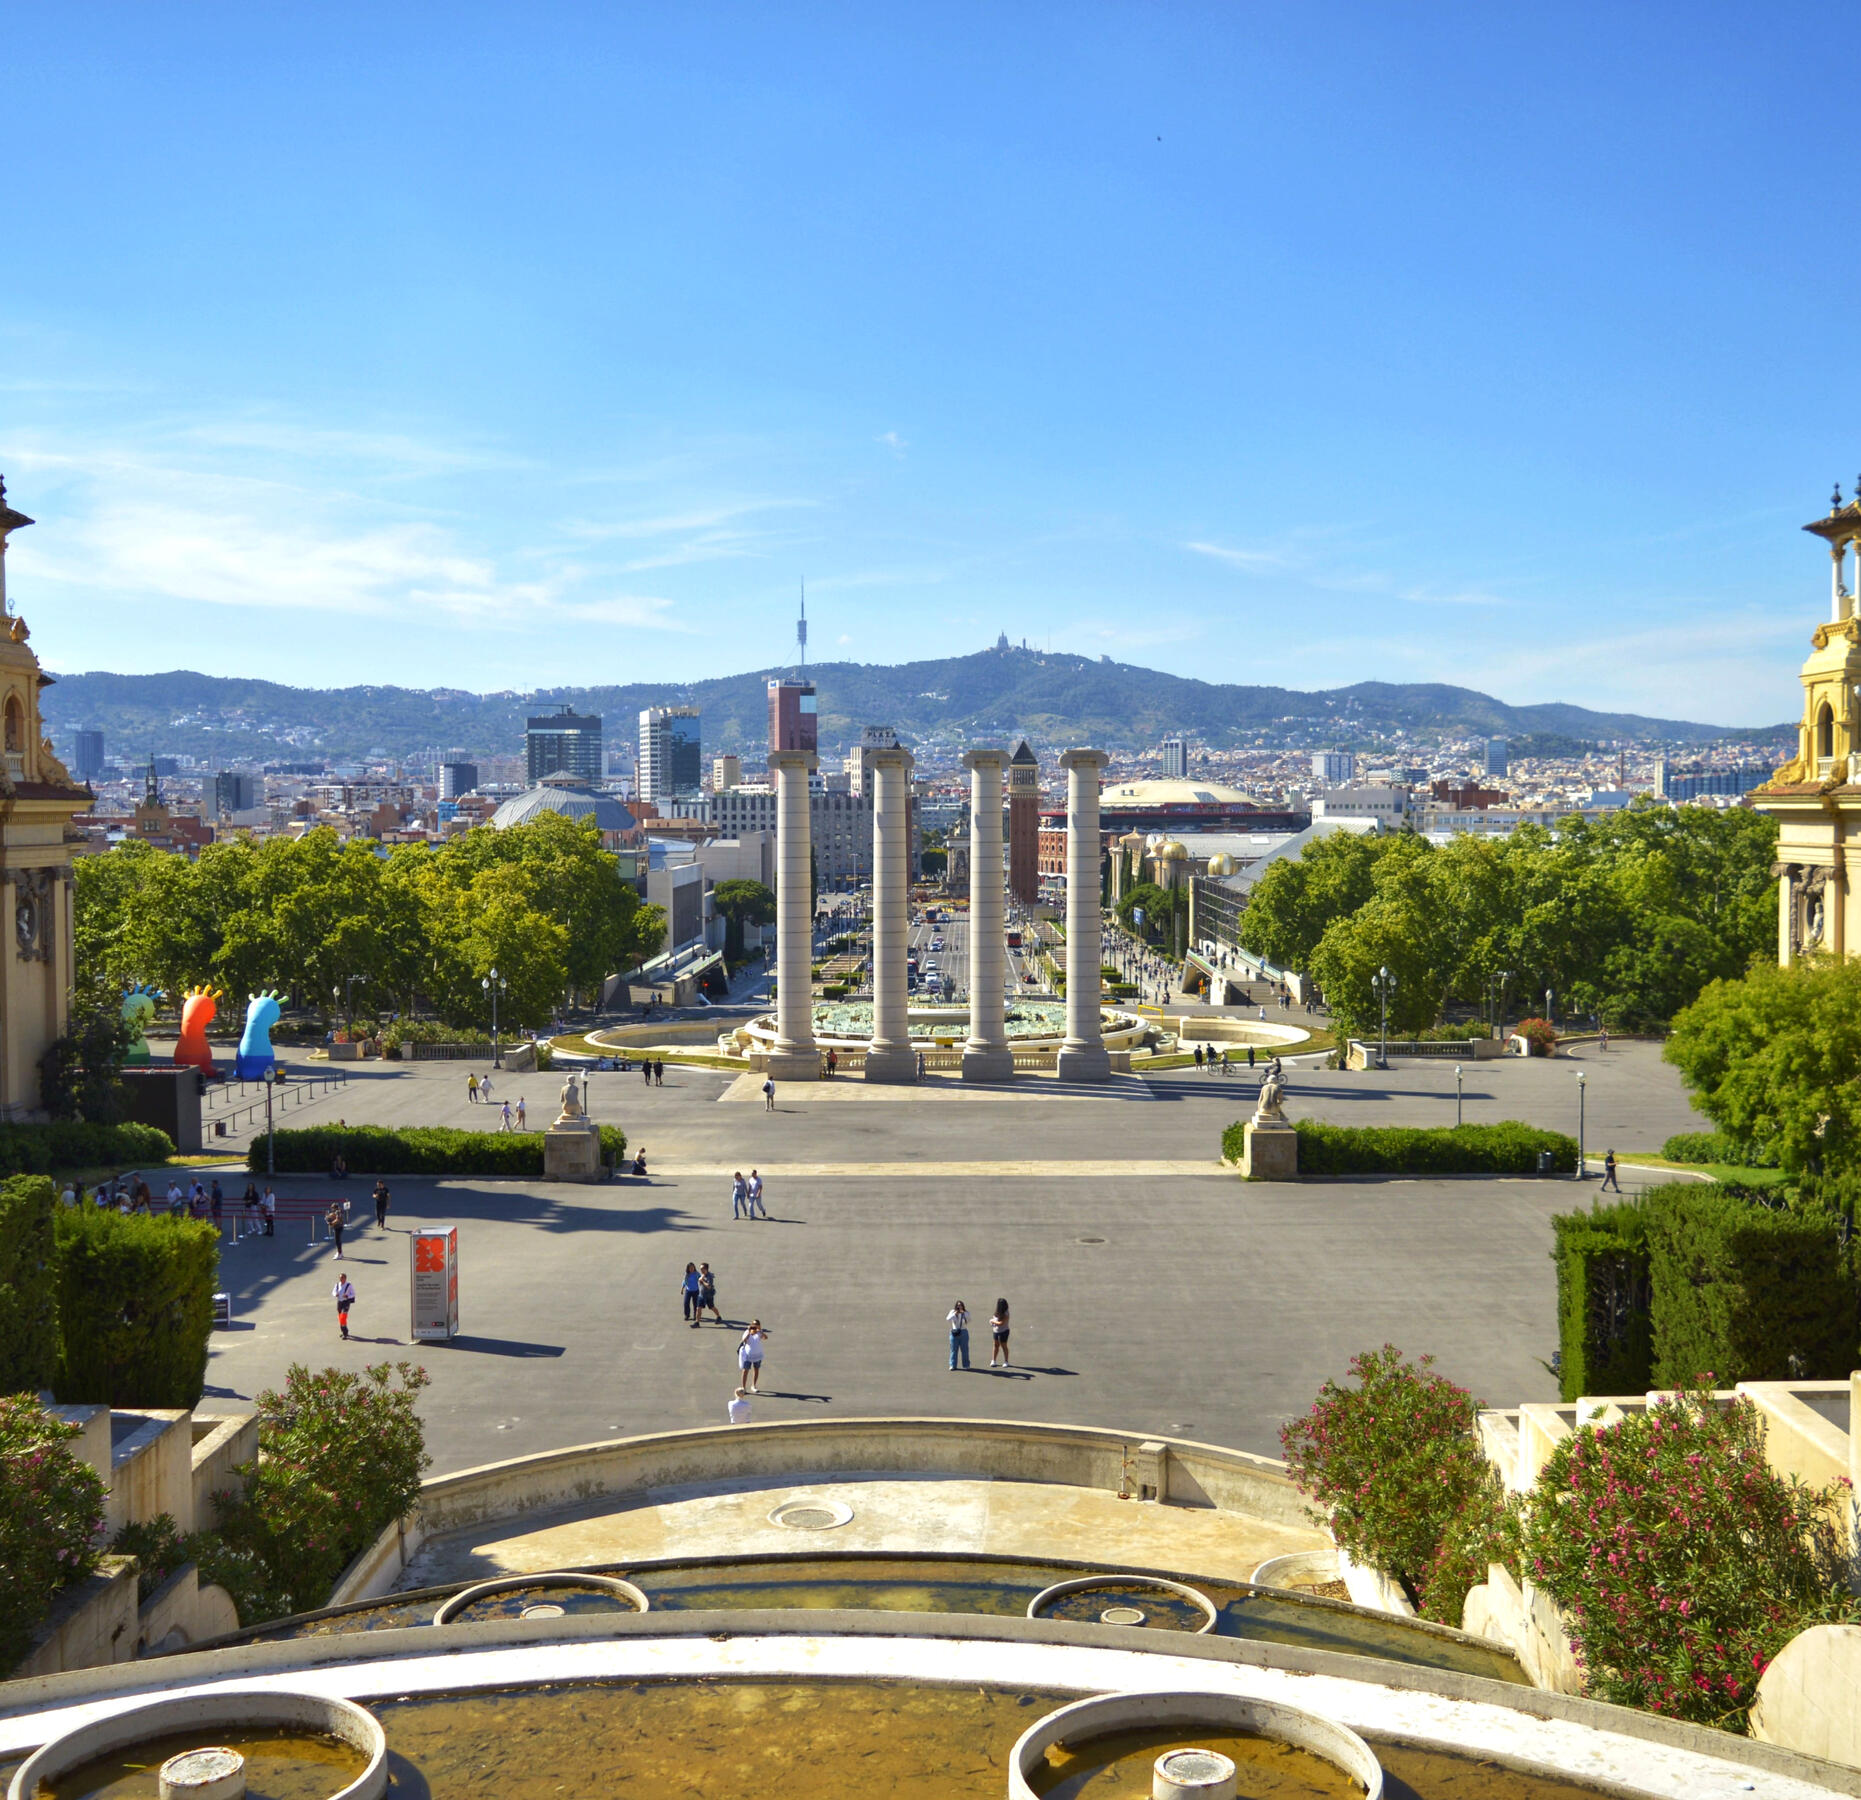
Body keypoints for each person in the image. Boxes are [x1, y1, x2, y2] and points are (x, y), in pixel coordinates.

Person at [738, 1319, 768, 1391]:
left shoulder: (759, 1333)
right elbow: (744, 1340)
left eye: (757, 1324)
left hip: (758, 1355)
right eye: (754, 1324)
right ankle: (743, 1388)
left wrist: (760, 1330)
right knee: (745, 1371)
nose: (755, 1326)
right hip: (748, 1356)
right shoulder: (747, 1332)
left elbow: (765, 1338)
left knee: (756, 1369)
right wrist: (749, 1331)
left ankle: (753, 1386)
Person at [947, 1299, 971, 1371]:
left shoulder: (966, 1313)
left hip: (963, 1332)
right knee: (953, 1350)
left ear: (963, 1306)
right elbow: (948, 1319)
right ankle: (952, 1365)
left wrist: (963, 1314)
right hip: (954, 1332)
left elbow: (969, 1320)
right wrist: (955, 1314)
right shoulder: (952, 1312)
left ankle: (966, 1365)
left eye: (960, 1305)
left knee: (965, 1350)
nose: (959, 1306)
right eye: (958, 1305)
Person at [989, 1298, 1011, 1369]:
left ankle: (1006, 1361)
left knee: (1004, 1346)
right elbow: (995, 1319)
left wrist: (992, 1321)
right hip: (996, 1331)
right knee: (996, 1345)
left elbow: (1001, 1323)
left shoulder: (1006, 1313)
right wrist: (993, 1322)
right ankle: (993, 1360)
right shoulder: (997, 1311)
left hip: (1004, 1331)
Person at [333, 1271, 356, 1339]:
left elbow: (353, 1294)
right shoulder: (337, 1285)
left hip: (346, 1302)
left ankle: (345, 1333)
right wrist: (335, 1294)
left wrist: (347, 1296)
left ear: (345, 1278)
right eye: (340, 1278)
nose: (341, 1279)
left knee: (343, 1318)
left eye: (342, 1278)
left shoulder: (349, 1285)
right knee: (341, 1318)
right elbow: (333, 1291)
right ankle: (344, 1331)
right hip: (339, 1302)